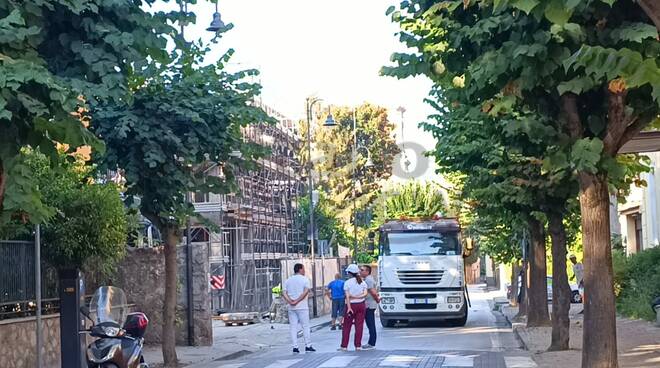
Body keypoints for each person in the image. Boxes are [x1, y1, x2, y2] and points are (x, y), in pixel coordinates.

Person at [283, 263, 316, 354]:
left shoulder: (288, 280)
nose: (304, 271)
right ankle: (308, 345)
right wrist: (297, 301)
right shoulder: (305, 280)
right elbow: (305, 292)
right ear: (300, 269)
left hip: (291, 307)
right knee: (305, 326)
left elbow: (284, 292)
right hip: (302, 307)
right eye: (303, 269)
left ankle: (295, 347)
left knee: (293, 327)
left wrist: (290, 301)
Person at [339, 264, 368, 351]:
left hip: (351, 305)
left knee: (347, 327)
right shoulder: (362, 282)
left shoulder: (347, 283)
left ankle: (344, 346)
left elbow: (347, 297)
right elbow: (365, 294)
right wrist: (359, 297)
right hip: (361, 305)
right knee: (359, 326)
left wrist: (349, 308)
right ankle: (358, 345)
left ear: (349, 273)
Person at [360, 265, 380, 350]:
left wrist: (377, 300)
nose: (360, 271)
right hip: (369, 303)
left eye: (362, 270)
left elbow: (373, 292)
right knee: (369, 324)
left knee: (370, 324)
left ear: (367, 271)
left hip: (369, 304)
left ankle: (372, 343)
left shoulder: (368, 280)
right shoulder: (367, 279)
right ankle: (371, 342)